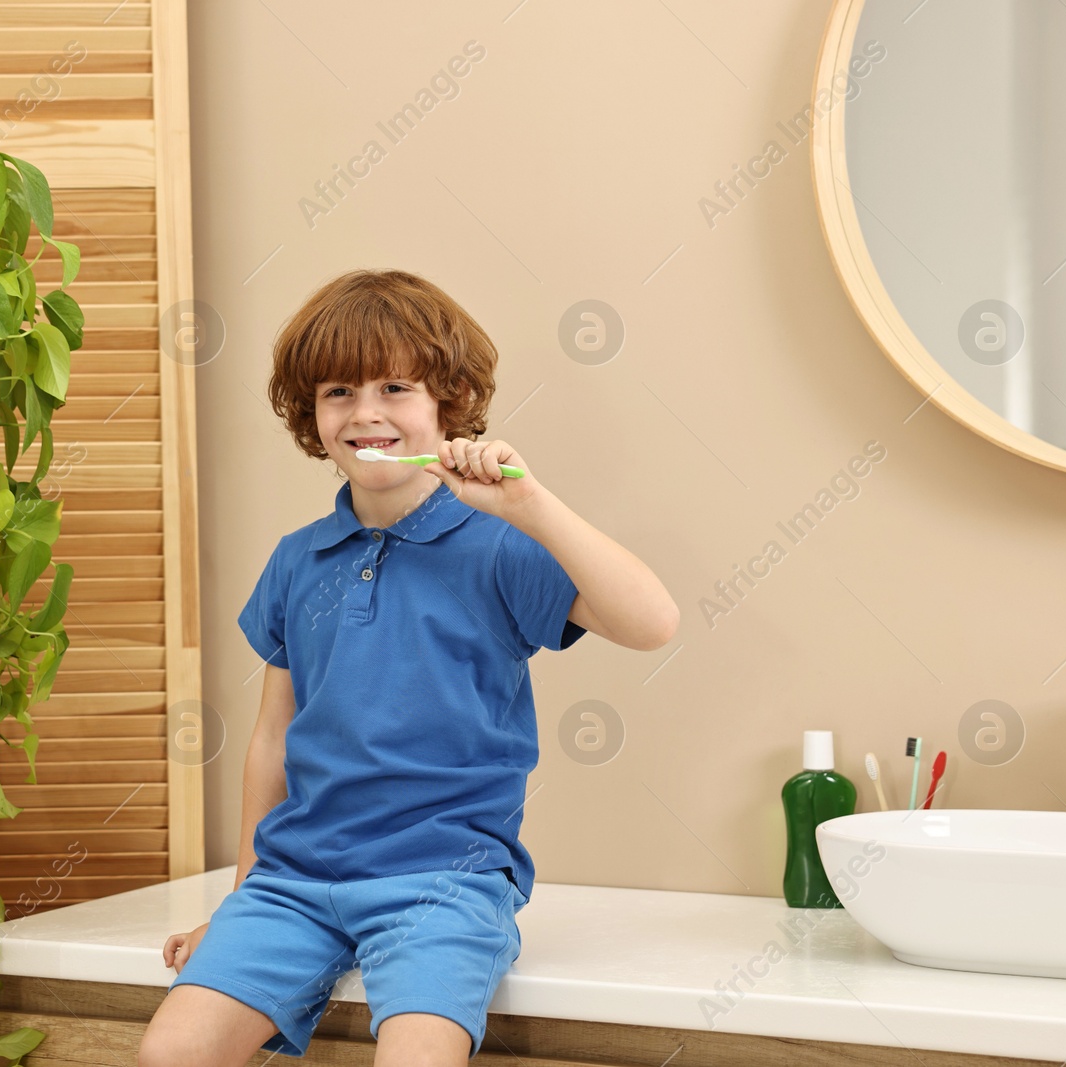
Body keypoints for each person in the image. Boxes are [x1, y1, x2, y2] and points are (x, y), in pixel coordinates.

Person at [138, 269, 678, 1066]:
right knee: (169, 1052)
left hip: (443, 884)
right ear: (310, 414)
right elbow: (270, 740)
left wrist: (530, 507)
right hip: (294, 882)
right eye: (337, 391)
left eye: (396, 386)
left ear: (447, 403)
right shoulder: (297, 561)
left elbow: (653, 622)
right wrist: (243, 895)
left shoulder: (499, 545)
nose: (366, 412)